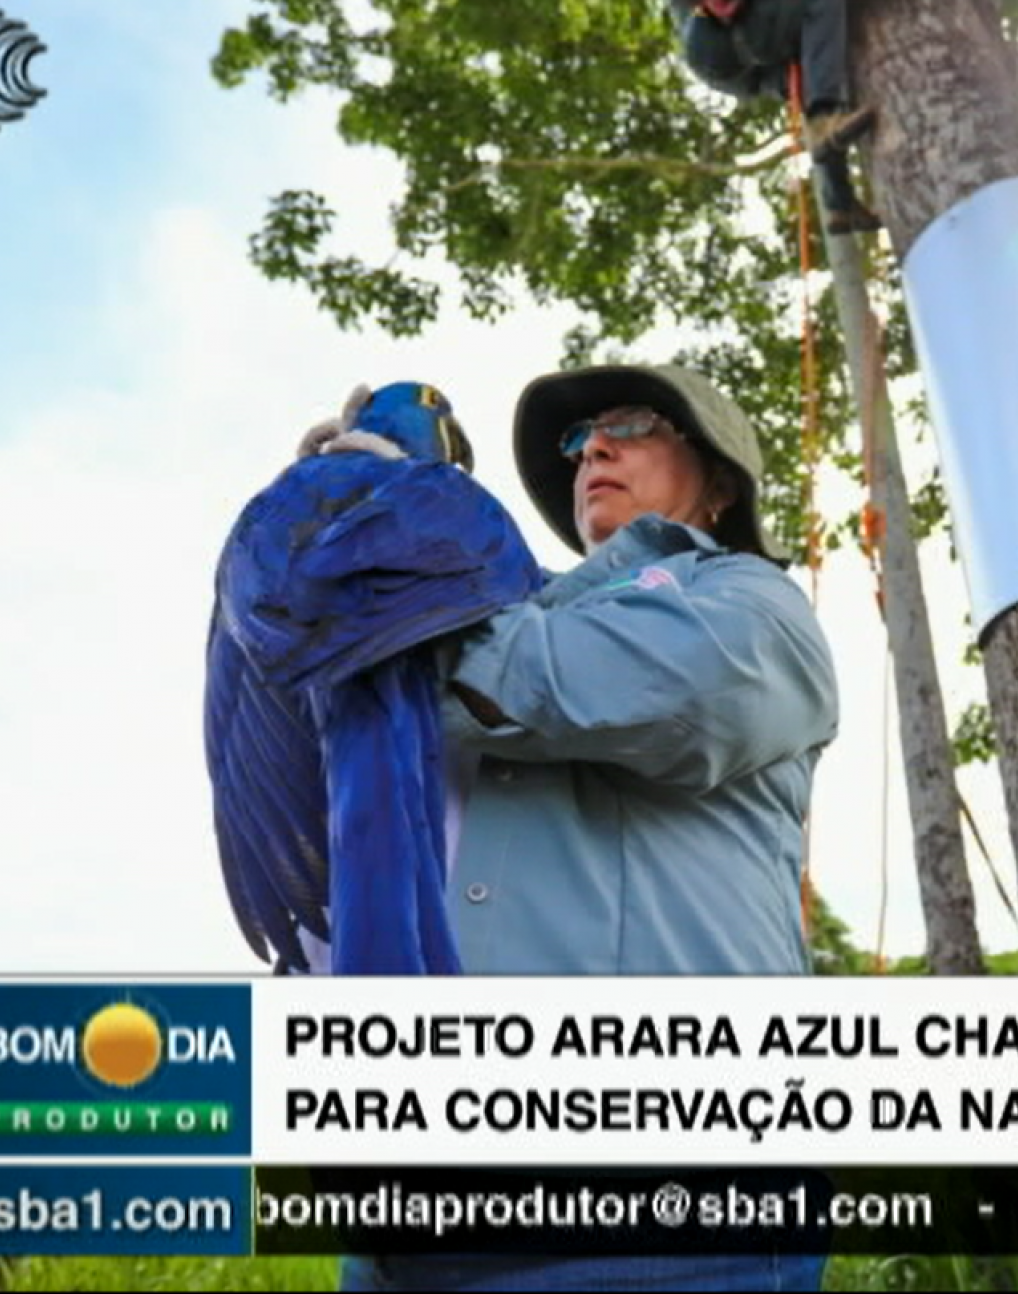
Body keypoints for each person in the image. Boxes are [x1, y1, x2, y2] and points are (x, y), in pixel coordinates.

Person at [308, 364, 841, 1291]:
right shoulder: (496, 611)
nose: (594, 446)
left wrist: (385, 585)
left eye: (633, 424)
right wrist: (323, 534)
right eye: (579, 439)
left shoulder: (752, 602)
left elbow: (601, 686)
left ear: (718, 485)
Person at [666, 0, 884, 234]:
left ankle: (839, 202)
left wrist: (778, 83)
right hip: (725, 41)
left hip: (728, 64)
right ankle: (823, 117)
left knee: (811, 68)